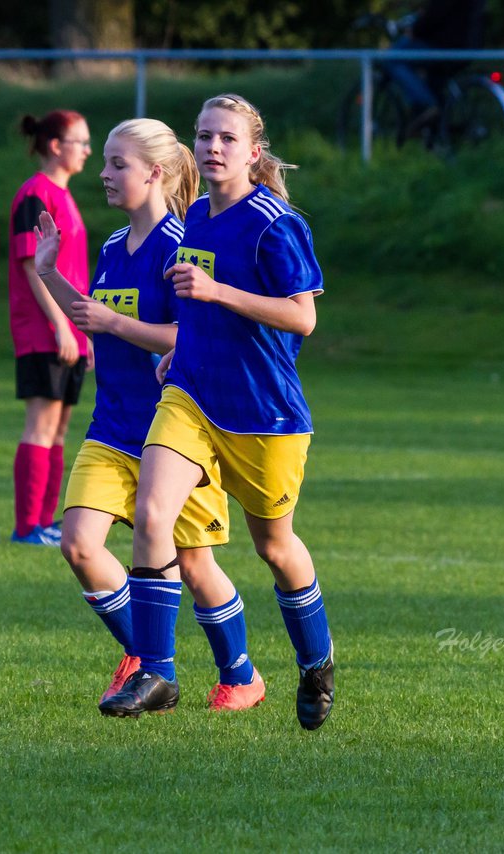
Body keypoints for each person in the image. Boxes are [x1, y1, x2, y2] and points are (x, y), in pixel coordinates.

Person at [101, 94, 336, 730]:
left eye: (227, 138)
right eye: (204, 136)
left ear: (253, 152)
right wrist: (182, 352)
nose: (212, 147)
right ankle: (156, 671)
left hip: (265, 413)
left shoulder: (274, 223)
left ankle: (316, 664)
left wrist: (217, 293)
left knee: (275, 547)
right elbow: (194, 312)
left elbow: (303, 317)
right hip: (192, 396)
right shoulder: (196, 216)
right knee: (151, 514)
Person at [34, 118, 265, 714]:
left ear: (155, 172)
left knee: (193, 562)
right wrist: (48, 272)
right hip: (111, 427)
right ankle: (148, 660)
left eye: (117, 165)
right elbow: (93, 317)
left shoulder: (180, 244)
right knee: (80, 544)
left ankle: (240, 675)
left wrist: (118, 326)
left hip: (177, 430)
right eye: (106, 162)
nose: (105, 175)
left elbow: (190, 334)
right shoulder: (114, 246)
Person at [7, 110, 93, 546]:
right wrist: (61, 325)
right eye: (80, 142)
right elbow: (30, 266)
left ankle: (45, 522)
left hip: (70, 330)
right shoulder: (34, 195)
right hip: (43, 330)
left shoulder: (65, 195)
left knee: (59, 428)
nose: (88, 151)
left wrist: (85, 331)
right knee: (40, 425)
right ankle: (27, 528)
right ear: (56, 146)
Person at [386, 0, 487, 133]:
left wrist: (415, 30)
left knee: (392, 57)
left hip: (445, 47)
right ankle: (437, 133)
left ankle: (426, 105)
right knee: (434, 80)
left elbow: (437, 14)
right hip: (467, 46)